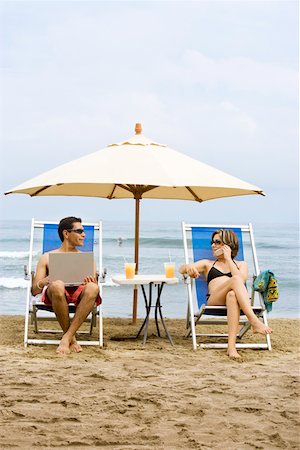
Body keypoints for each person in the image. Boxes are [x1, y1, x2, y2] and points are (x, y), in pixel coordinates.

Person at [179, 229, 272, 358]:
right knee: (234, 280)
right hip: (214, 300)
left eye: (217, 242)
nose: (213, 245)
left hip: (236, 300)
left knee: (232, 295)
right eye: (212, 242)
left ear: (228, 245)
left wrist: (228, 258)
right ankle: (254, 321)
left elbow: (241, 278)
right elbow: (181, 269)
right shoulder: (208, 264)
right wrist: (188, 267)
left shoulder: (241, 264)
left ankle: (231, 347)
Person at [32, 216, 101, 356]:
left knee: (93, 288)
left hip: (79, 294)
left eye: (84, 231)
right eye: (79, 231)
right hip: (56, 294)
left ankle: (67, 337)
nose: (84, 234)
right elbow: (34, 290)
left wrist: (90, 282)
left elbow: (95, 289)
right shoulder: (47, 257)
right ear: (66, 233)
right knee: (57, 284)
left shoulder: (86, 259)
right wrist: (45, 281)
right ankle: (71, 337)